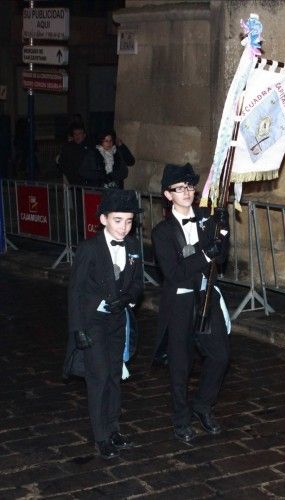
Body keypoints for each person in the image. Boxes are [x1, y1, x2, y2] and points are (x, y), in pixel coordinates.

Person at [151, 162, 231, 443]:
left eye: (190, 187)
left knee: (219, 355)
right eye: (179, 188)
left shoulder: (208, 220)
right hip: (181, 304)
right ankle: (181, 418)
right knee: (180, 364)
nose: (186, 192)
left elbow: (220, 256)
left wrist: (222, 231)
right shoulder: (162, 232)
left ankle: (203, 405)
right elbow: (174, 273)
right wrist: (205, 254)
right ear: (168, 194)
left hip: (207, 296)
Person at [63, 189, 143, 459]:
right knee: (97, 379)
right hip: (92, 323)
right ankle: (101, 437)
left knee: (114, 376)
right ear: (103, 219)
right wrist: (78, 331)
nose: (124, 227)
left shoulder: (132, 247)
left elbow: (137, 285)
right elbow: (75, 292)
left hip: (117, 322)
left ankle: (114, 428)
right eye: (118, 220)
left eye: (129, 221)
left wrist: (128, 299)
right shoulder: (89, 248)